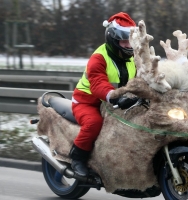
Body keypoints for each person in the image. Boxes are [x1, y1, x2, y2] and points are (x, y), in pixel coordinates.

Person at [69, 12, 138, 177]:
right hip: (87, 102)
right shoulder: (99, 58)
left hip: (114, 103)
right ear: (113, 39)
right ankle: (77, 158)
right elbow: (98, 83)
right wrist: (116, 97)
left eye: (130, 41)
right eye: (124, 41)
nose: (128, 45)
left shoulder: (133, 57)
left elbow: (144, 77)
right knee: (94, 123)